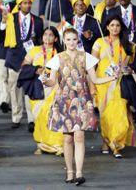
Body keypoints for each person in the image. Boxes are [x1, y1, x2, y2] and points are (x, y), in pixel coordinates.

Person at [43, 28, 116, 185]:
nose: (71, 42)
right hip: (63, 101)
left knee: (79, 135)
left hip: (82, 100)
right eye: (68, 39)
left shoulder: (86, 57)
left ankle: (79, 172)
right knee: (68, 138)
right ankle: (69, 171)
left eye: (74, 39)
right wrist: (44, 80)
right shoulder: (58, 58)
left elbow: (95, 80)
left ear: (78, 40)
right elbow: (52, 81)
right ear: (64, 40)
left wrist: (112, 77)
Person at [91, 15, 136, 158]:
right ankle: (106, 142)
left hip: (120, 84)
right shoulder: (99, 43)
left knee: (119, 114)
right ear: (107, 27)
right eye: (112, 25)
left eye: (117, 25)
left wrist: (129, 70)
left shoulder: (128, 45)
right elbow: (91, 65)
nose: (115, 28)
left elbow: (131, 65)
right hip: (103, 83)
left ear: (121, 27)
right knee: (105, 116)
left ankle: (116, 145)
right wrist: (91, 86)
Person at [0, 0, 43, 130]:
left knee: (30, 89)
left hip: (31, 60)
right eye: (24, 3)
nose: (27, 5)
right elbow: (0, 37)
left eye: (29, 3)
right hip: (15, 59)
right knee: (15, 89)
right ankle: (16, 117)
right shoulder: (11, 17)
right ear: (19, 4)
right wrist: (3, 22)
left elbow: (41, 42)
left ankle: (32, 119)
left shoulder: (38, 21)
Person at [22, 27, 64, 155]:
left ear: (56, 38)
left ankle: (57, 145)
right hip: (37, 88)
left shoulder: (60, 53)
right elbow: (24, 65)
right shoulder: (35, 50)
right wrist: (35, 69)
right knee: (39, 117)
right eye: (45, 34)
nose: (47, 37)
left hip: (54, 87)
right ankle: (41, 145)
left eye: (51, 35)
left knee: (54, 116)